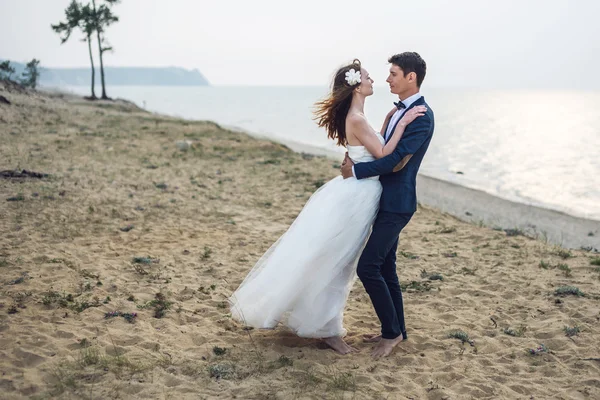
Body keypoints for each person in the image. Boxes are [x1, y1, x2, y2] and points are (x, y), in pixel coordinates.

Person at [228, 58, 426, 355]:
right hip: (358, 196)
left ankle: (377, 329)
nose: (379, 80)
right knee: (339, 262)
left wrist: (388, 125)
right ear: (357, 85)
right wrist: (401, 125)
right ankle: (328, 329)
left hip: (360, 193)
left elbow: (379, 149)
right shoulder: (358, 117)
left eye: (389, 74)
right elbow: (386, 153)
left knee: (342, 261)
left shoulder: (359, 114)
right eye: (371, 77)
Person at [341, 52, 435, 359]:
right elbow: (382, 147)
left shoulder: (421, 115)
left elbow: (395, 163)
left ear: (411, 77)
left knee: (368, 266)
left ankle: (392, 333)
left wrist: (355, 171)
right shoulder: (398, 110)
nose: (387, 79)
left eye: (393, 73)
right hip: (383, 199)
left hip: (398, 203)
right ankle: (395, 330)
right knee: (386, 267)